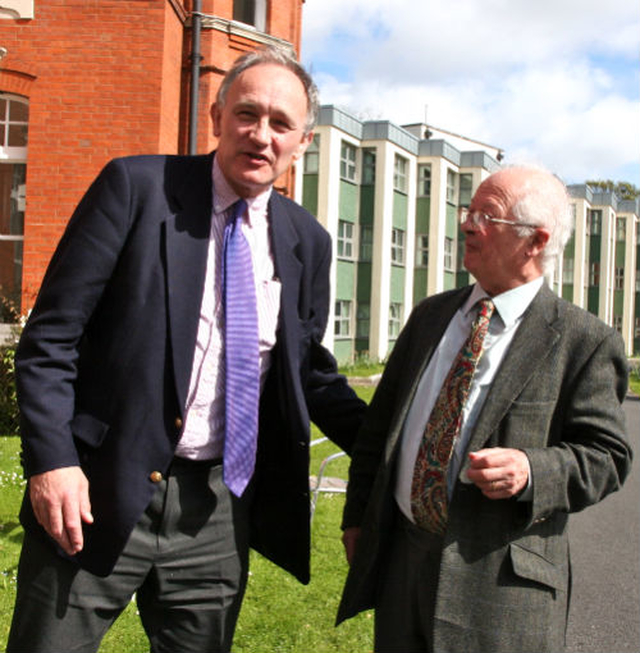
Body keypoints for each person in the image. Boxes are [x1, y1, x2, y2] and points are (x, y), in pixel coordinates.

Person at [8, 45, 366, 653]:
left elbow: (307, 372)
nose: (261, 135)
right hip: (95, 492)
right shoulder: (137, 188)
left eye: (281, 124)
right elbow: (51, 340)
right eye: (247, 114)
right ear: (216, 115)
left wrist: (403, 448)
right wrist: (51, 462)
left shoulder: (307, 240)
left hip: (217, 514)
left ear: (302, 142)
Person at [337, 165, 632, 653]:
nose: (467, 225)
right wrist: (357, 520)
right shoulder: (431, 316)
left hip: (500, 585)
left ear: (535, 241)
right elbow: (379, 429)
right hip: (402, 560)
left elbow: (607, 456)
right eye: (469, 212)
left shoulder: (585, 340)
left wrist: (532, 468)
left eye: (486, 216)